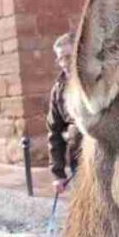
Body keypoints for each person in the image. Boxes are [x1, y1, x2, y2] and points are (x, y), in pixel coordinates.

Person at [47, 32, 82, 194]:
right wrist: (58, 174)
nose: (63, 63)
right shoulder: (58, 90)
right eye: (60, 59)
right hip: (79, 161)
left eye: (68, 57)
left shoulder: (100, 81)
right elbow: (54, 132)